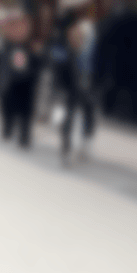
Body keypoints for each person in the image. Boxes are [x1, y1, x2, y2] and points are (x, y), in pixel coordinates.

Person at [0, 6, 42, 149]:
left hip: (27, 83)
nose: (20, 29)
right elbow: (1, 64)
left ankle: (24, 135)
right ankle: (8, 128)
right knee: (7, 107)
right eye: (15, 26)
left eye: (24, 25)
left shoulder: (31, 45)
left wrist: (37, 57)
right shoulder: (5, 45)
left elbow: (39, 63)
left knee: (26, 111)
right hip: (10, 83)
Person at [58, 13, 97, 164]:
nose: (79, 38)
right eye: (76, 35)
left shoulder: (88, 53)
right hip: (70, 91)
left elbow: (94, 71)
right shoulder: (66, 53)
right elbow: (60, 73)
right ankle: (66, 149)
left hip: (86, 90)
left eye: (83, 36)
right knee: (67, 120)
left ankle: (85, 145)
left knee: (88, 116)